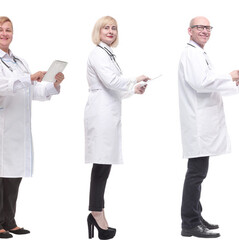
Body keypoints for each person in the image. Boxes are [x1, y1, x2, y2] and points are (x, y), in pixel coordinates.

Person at [0, 16, 64, 239]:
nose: (5, 34)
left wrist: (53, 84)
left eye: (9, 30)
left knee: (13, 175)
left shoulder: (20, 62)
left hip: (15, 128)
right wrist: (28, 78)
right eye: (0, 30)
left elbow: (31, 90)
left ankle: (9, 221)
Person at [177, 16, 239, 238]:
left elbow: (208, 81)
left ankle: (195, 216)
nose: (205, 31)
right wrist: (229, 76)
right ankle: (189, 223)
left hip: (203, 122)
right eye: (200, 27)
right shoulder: (190, 53)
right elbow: (201, 83)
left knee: (199, 172)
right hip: (198, 123)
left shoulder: (199, 53)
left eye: (208, 28)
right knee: (196, 173)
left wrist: (233, 82)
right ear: (190, 30)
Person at [84, 16, 149, 240]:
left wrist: (134, 90)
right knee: (101, 165)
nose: (110, 31)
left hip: (108, 111)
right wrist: (134, 79)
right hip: (101, 113)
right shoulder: (97, 53)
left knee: (104, 164)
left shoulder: (109, 54)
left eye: (114, 28)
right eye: (106, 28)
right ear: (98, 31)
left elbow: (115, 86)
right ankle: (96, 212)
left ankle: (97, 211)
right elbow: (112, 82)